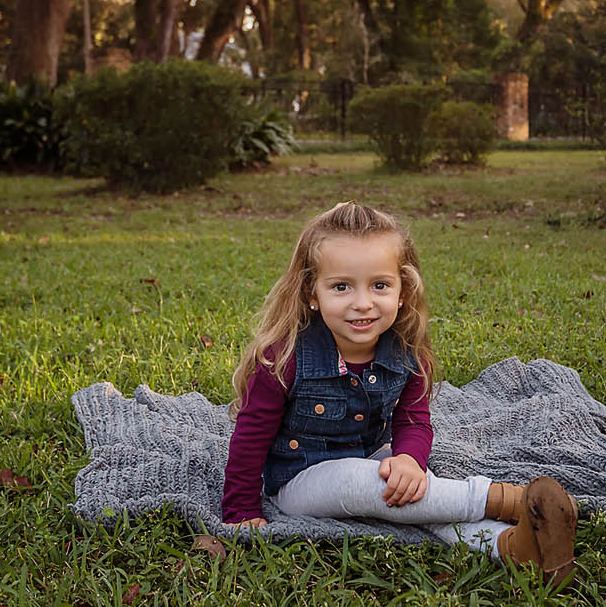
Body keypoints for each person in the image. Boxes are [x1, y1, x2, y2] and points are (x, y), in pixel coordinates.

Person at [221, 201, 578, 584]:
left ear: (403, 290)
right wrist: (240, 507)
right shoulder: (285, 358)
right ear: (312, 292)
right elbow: (251, 435)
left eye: (380, 285)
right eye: (341, 287)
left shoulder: (406, 352)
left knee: (411, 494)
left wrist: (408, 458)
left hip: (376, 455)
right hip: (301, 478)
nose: (362, 303)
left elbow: (414, 419)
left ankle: (511, 547)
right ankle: (512, 500)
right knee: (364, 485)